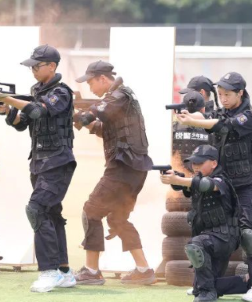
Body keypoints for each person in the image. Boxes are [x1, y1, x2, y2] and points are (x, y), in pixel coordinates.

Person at [177, 72, 252, 302]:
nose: (223, 98)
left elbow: (221, 125)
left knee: (249, 234)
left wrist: (193, 120)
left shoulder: (249, 117)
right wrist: (191, 114)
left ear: (240, 93)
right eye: (220, 94)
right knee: (214, 230)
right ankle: (206, 284)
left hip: (248, 186)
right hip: (225, 185)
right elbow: (209, 116)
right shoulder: (219, 111)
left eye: (228, 94)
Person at [0, 45, 77, 292]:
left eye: (37, 65)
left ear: (52, 66)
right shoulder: (37, 91)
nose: (33, 69)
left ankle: (48, 271)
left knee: (37, 210)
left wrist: (9, 100)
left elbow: (39, 110)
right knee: (51, 214)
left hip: (58, 160)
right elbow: (22, 123)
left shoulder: (61, 92)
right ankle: (64, 271)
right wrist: (9, 111)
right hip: (40, 161)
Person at [73, 60, 155, 286]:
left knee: (91, 210)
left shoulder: (118, 96)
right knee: (117, 218)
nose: (90, 87)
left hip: (123, 168)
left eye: (91, 82)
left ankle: (91, 271)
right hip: (132, 169)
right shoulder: (118, 98)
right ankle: (144, 269)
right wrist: (81, 117)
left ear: (102, 78)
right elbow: (104, 129)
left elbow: (96, 112)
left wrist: (76, 112)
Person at [160, 144, 240, 302]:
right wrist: (174, 177)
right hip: (210, 239)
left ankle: (207, 294)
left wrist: (179, 179)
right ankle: (246, 282)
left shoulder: (221, 180)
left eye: (200, 163)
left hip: (223, 238)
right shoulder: (198, 179)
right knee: (209, 285)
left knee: (195, 246)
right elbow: (184, 185)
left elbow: (206, 185)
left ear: (214, 163)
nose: (195, 166)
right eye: (194, 163)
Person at [172, 91, 210, 172]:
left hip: (178, 176)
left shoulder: (172, 128)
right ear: (203, 109)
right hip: (204, 177)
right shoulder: (211, 128)